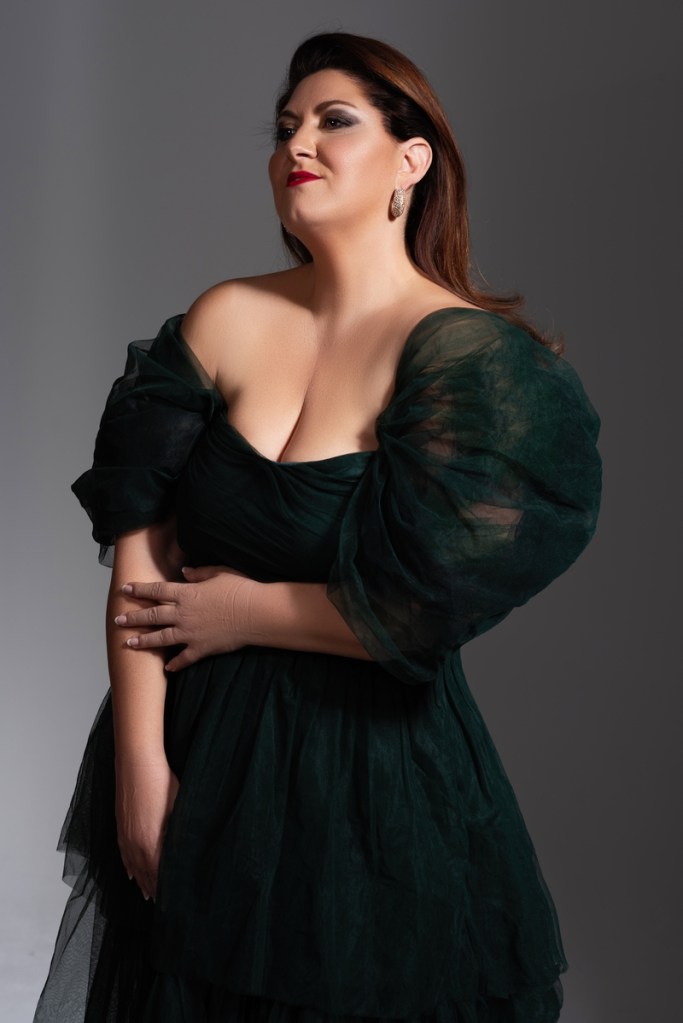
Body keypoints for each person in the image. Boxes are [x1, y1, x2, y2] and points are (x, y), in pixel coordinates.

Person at [34, 30, 602, 1023]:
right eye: (285, 126)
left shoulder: (473, 363)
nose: (296, 143)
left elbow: (418, 610)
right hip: (197, 754)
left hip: (375, 789)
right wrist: (141, 769)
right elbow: (140, 544)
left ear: (410, 161)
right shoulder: (221, 318)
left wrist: (242, 614)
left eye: (333, 121)